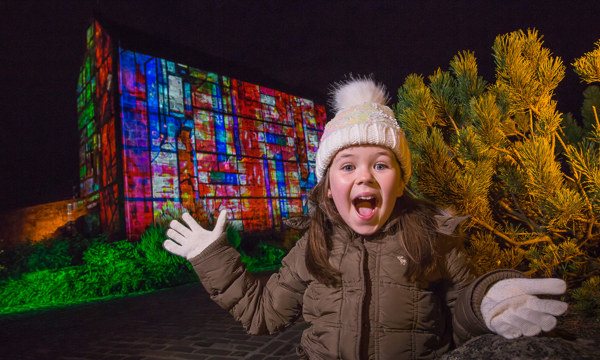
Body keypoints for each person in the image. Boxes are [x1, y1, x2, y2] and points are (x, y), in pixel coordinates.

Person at [163, 77, 568, 359]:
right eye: (347, 166)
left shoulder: (432, 239)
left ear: (400, 182)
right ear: (328, 186)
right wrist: (212, 258)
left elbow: (460, 313)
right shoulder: (313, 248)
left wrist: (487, 301)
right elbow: (262, 315)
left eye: (380, 165)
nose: (363, 176)